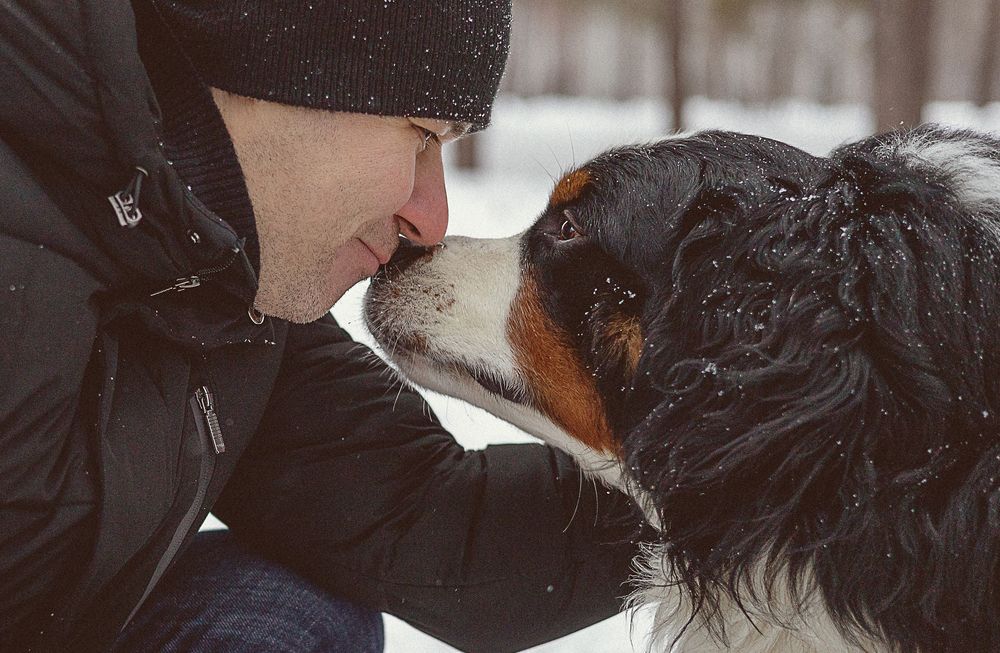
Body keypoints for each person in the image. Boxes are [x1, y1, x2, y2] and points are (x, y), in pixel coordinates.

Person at [0, 1, 645, 651]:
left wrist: (707, 476)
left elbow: (423, 518)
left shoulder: (220, 288)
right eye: (421, 134)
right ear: (280, 68)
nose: (434, 217)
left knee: (289, 610)